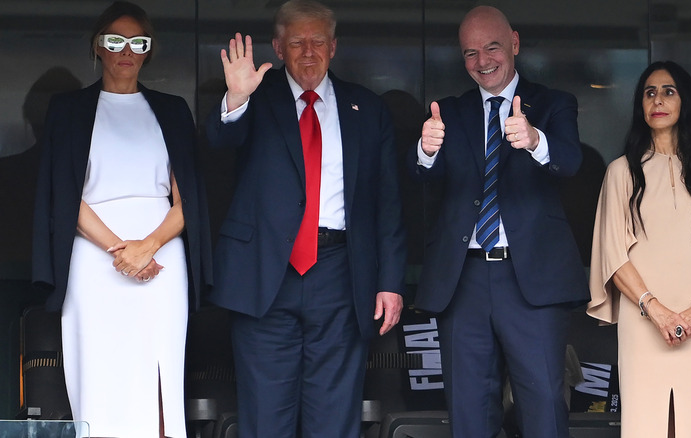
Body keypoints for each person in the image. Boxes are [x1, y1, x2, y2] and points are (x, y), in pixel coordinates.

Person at [205, 1, 406, 436]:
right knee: (265, 417)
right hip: (264, 275)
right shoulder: (255, 97)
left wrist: (390, 281)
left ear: (334, 47)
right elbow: (220, 143)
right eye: (298, 42)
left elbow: (387, 203)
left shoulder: (366, 108)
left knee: (334, 417)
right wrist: (236, 97)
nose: (309, 51)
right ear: (279, 48)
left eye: (318, 41)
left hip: (340, 272)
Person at [31, 2, 212, 437]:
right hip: (93, 260)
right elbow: (64, 195)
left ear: (149, 50)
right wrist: (121, 250)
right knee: (99, 371)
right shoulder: (68, 109)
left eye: (138, 42)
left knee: (159, 372)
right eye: (115, 41)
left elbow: (189, 200)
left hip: (161, 258)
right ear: (98, 46)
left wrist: (146, 248)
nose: (126, 50)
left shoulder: (172, 110)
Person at [411, 6, 589, 438]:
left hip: (532, 279)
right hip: (464, 280)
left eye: (491, 47)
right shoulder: (449, 112)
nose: (482, 61)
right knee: (469, 410)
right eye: (470, 53)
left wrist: (535, 139)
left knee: (543, 408)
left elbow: (570, 161)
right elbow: (422, 179)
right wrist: (426, 150)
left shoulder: (553, 103)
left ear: (514, 42)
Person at [587, 61, 691, 437]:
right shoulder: (620, 172)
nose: (657, 100)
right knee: (644, 420)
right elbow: (613, 255)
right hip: (642, 318)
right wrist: (657, 311)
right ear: (640, 106)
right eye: (649, 93)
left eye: (668, 91)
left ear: (685, 102)